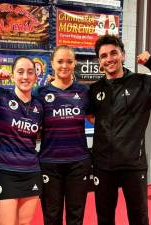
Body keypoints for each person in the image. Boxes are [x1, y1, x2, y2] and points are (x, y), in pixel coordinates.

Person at [88, 35, 151, 225]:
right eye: (104, 56)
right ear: (99, 61)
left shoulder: (143, 83)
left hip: (133, 165)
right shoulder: (95, 89)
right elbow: (88, 115)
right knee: (104, 217)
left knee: (139, 217)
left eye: (114, 53)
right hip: (103, 166)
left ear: (123, 55)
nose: (109, 59)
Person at [36, 46, 91, 225]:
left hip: (78, 162)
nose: (64, 65)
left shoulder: (84, 92)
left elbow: (97, 118)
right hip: (50, 163)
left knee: (76, 215)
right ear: (52, 63)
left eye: (69, 61)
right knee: (52, 215)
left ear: (75, 63)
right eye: (60, 61)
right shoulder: (40, 93)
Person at [0, 56, 43, 225]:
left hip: (31, 171)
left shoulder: (39, 106)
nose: (25, 77)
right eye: (20, 72)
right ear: (12, 75)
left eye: (30, 72)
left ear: (36, 77)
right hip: (4, 172)